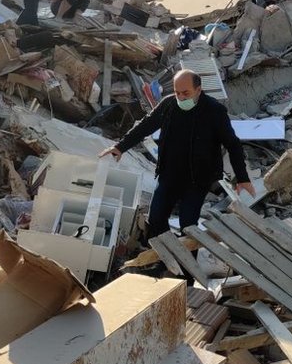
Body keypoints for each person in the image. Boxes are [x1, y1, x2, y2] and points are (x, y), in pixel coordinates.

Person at [99, 70, 255, 242]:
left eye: (185, 93)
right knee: (156, 219)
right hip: (169, 174)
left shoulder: (214, 111)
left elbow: (232, 144)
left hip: (197, 179)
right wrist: (120, 147)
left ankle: (188, 267)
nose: (180, 97)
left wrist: (242, 178)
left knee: (188, 226)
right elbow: (146, 126)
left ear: (198, 90)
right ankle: (165, 260)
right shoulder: (169, 104)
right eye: (177, 92)